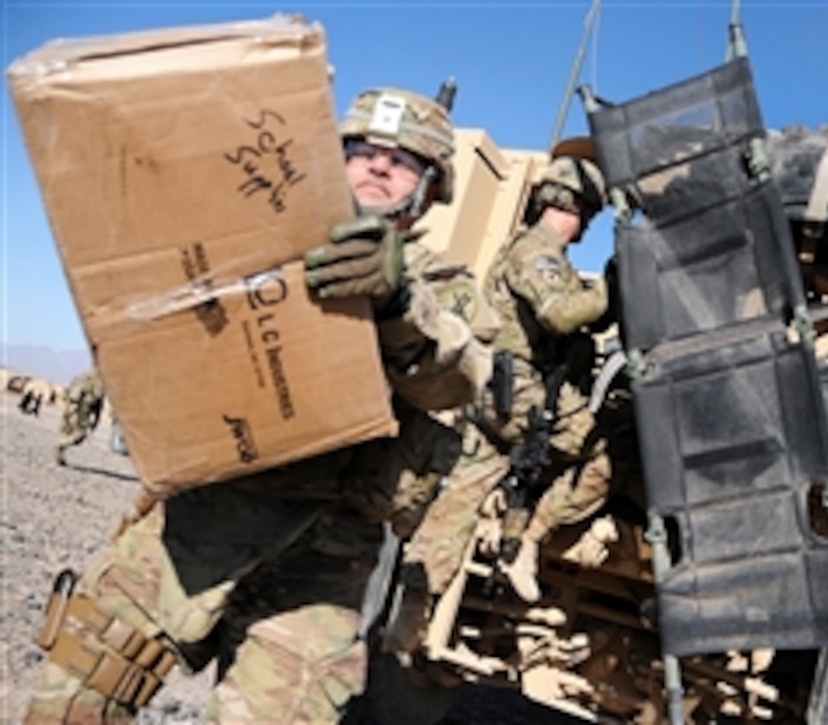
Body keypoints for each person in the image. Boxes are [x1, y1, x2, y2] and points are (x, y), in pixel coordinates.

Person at [24, 85, 494, 724]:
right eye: (362, 151)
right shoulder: (259, 240)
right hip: (200, 517)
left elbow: (459, 374)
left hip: (326, 561)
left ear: (429, 192)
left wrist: (394, 303)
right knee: (76, 694)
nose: (379, 166)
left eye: (404, 161)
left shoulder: (445, 294)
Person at [402, 144, 616, 608]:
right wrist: (612, 285)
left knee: (467, 494)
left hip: (497, 390)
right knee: (600, 456)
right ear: (574, 206)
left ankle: (412, 615)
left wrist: (602, 299)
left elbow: (585, 317)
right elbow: (561, 316)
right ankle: (532, 540)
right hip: (518, 390)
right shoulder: (537, 253)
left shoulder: (532, 252)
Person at [55, 369, 105, 466]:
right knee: (79, 435)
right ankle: (61, 445)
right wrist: (95, 419)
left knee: (68, 431)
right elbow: (98, 400)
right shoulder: (96, 381)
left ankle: (61, 451)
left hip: (71, 407)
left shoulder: (83, 377)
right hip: (80, 410)